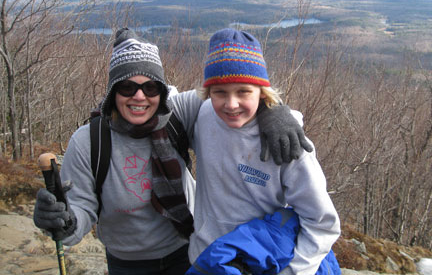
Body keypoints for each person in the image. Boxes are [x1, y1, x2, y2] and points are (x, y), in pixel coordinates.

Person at [33, 28, 314, 275]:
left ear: (163, 92)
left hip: (186, 251)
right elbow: (82, 209)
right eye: (127, 87)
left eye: (151, 87)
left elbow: (235, 90)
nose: (140, 96)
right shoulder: (90, 142)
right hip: (127, 263)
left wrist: (276, 113)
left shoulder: (177, 113)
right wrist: (65, 222)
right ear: (112, 94)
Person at [186, 28, 341, 275]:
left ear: (262, 90)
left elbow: (322, 223)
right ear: (208, 93)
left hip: (255, 265)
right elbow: (157, 102)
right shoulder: (203, 115)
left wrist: (293, 272)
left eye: (244, 91)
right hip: (204, 259)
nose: (231, 104)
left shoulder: (287, 144)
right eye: (220, 92)